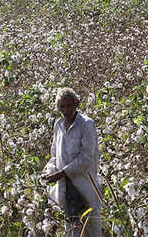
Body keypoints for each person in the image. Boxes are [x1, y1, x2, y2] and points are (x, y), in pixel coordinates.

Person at [42, 87, 102, 237]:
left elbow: (86, 157)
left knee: (91, 228)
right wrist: (49, 171)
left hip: (86, 186)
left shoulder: (87, 124)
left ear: (76, 104)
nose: (66, 109)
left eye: (69, 105)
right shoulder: (58, 125)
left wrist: (62, 173)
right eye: (62, 106)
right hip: (66, 189)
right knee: (72, 229)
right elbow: (54, 155)